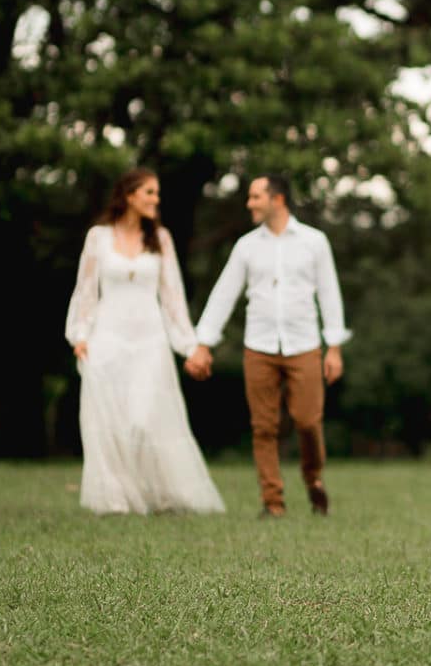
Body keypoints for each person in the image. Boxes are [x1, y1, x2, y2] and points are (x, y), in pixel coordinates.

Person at [64, 168, 226, 515]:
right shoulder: (98, 237)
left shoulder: (161, 239)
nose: (156, 199)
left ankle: (158, 493)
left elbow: (172, 297)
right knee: (110, 420)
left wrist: (189, 344)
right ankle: (117, 498)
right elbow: (86, 289)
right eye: (149, 192)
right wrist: (80, 334)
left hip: (150, 340)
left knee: (142, 418)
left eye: (157, 193)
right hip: (107, 337)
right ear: (128, 195)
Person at [188, 175, 349, 519]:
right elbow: (224, 293)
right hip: (258, 346)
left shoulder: (314, 242)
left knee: (308, 421)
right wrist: (203, 343)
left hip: (304, 344)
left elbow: (329, 293)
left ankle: (313, 479)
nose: (249, 204)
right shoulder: (247, 246)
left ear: (277, 200)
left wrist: (333, 346)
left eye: (255, 197)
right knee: (263, 427)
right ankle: (272, 502)